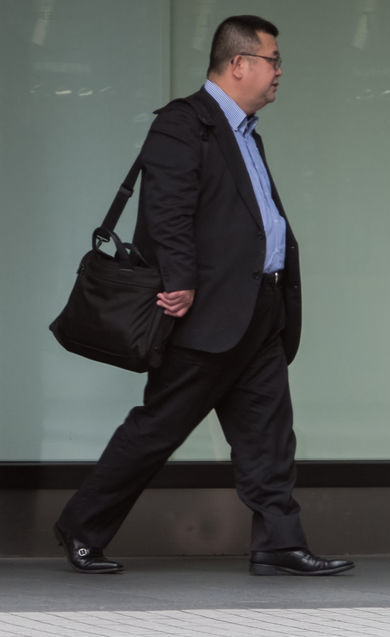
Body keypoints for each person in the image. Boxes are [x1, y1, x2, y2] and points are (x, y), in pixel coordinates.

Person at [53, 15, 353, 577]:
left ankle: (278, 543)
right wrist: (180, 279)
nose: (280, 72)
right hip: (205, 313)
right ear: (238, 64)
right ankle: (81, 527)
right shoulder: (183, 123)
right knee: (157, 429)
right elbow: (166, 208)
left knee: (268, 435)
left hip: (260, 311)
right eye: (273, 60)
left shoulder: (244, 133)